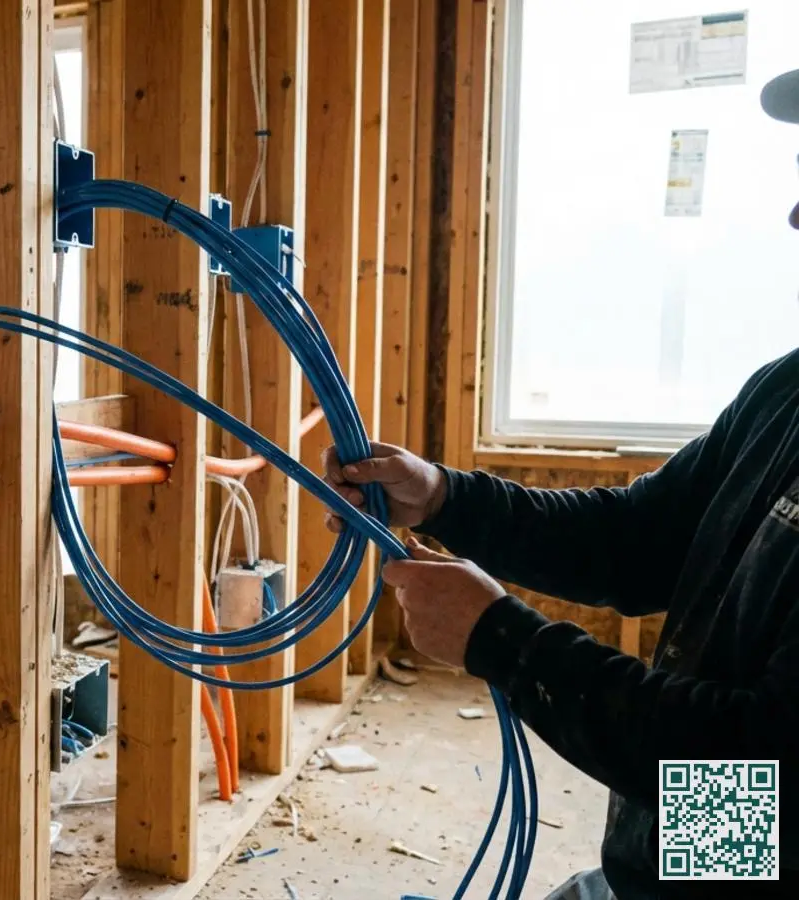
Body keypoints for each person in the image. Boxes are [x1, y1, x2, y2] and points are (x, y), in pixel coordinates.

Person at [324, 68, 799, 899]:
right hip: (695, 863)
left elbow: (770, 769)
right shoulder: (786, 391)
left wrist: (500, 638)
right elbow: (635, 539)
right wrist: (444, 498)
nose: (794, 212)